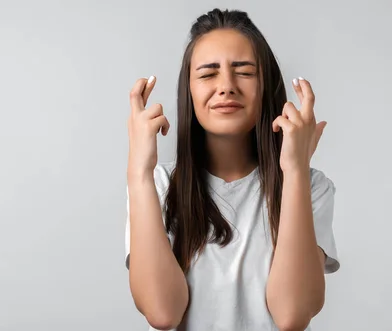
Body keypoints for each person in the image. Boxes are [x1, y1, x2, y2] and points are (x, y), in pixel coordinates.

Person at [124, 8, 340, 331]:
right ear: (190, 91)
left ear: (266, 86)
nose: (226, 86)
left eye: (244, 72)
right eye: (208, 73)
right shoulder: (156, 186)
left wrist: (295, 171)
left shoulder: (311, 187)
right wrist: (138, 172)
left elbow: (292, 314)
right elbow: (161, 312)